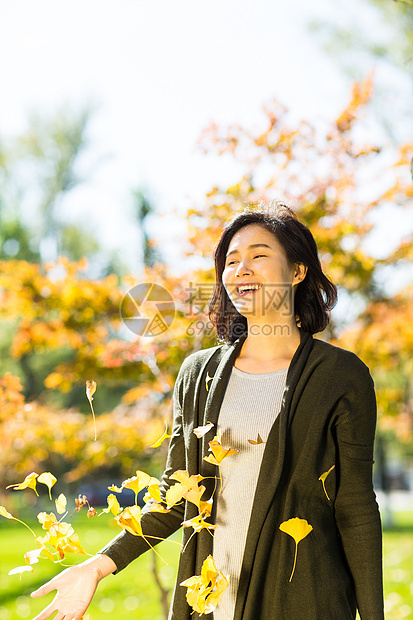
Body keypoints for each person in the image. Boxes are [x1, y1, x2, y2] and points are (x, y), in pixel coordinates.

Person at [31, 203, 384, 620]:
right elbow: (175, 497)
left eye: (259, 255)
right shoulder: (197, 374)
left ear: (297, 272)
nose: (241, 270)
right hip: (210, 604)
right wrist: (99, 564)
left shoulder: (341, 376)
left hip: (304, 601)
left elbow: (355, 506)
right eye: (231, 261)